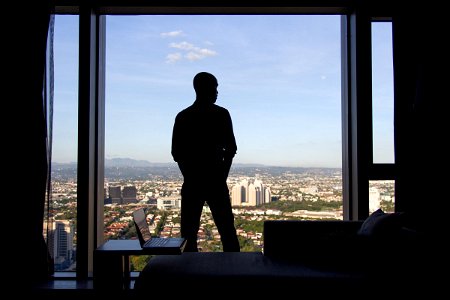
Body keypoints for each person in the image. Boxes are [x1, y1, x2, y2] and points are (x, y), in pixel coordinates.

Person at [171, 72, 240, 252]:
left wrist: (190, 174)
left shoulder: (183, 117)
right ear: (205, 88)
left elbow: (176, 153)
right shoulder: (222, 115)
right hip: (216, 180)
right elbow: (231, 149)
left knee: (188, 235)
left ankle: (189, 275)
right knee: (227, 232)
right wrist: (222, 174)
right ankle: (235, 273)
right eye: (215, 87)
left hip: (192, 182)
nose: (217, 92)